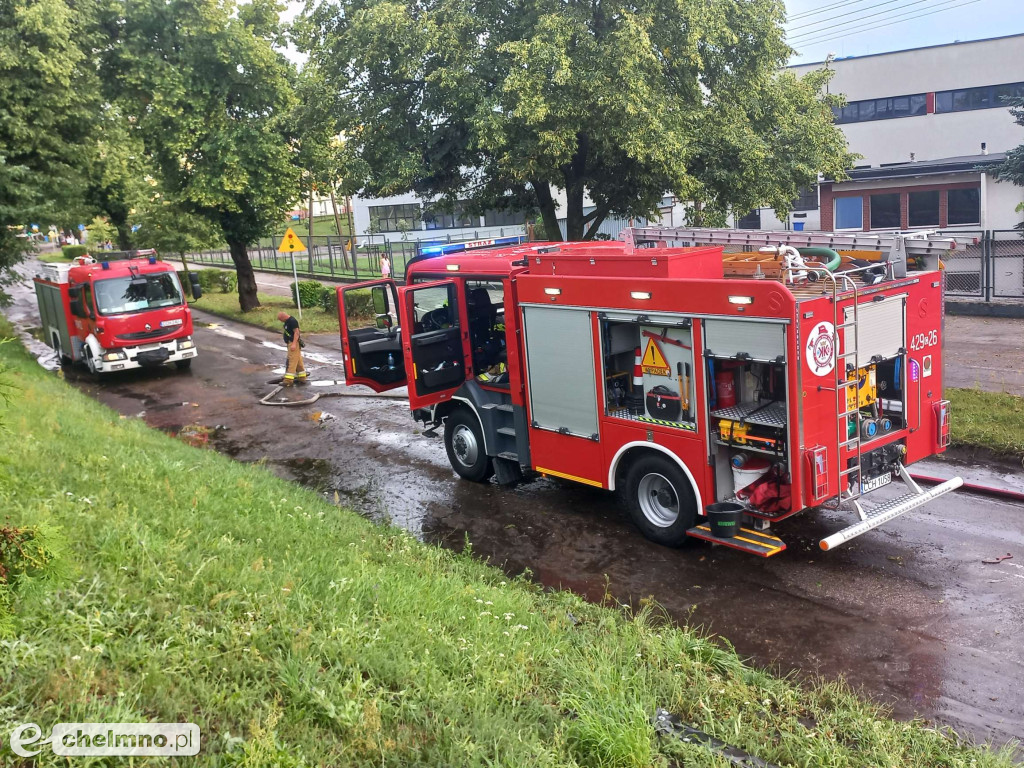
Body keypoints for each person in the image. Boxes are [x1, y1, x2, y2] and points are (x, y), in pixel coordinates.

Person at [277, 311, 308, 385]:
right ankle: (302, 378)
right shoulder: (287, 321)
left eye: (280, 319)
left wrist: (294, 344)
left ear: (283, 317)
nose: (281, 321)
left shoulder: (292, 321)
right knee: (298, 361)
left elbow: (296, 333)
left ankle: (288, 381)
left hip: (293, 343)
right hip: (290, 342)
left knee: (292, 361)